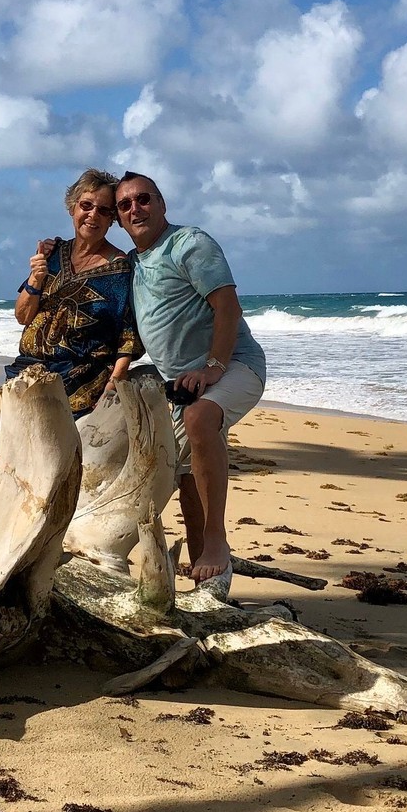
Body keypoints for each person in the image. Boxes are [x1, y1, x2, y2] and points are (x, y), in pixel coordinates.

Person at [114, 171, 266, 587]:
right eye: (125, 205)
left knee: (201, 420)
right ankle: (209, 584)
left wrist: (214, 366)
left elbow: (228, 308)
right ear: (119, 219)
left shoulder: (189, 244)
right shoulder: (133, 264)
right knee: (186, 479)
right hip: (181, 385)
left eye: (143, 199)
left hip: (236, 365)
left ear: (162, 204)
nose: (135, 209)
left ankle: (217, 542)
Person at [4, 168, 142, 419]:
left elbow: (128, 338)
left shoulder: (119, 269)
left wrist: (112, 386)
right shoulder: (52, 254)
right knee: (5, 458)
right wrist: (36, 278)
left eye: (103, 210)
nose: (93, 215)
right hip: (25, 376)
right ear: (72, 208)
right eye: (86, 205)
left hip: (81, 387)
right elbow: (23, 316)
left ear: (112, 218)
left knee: (63, 458)